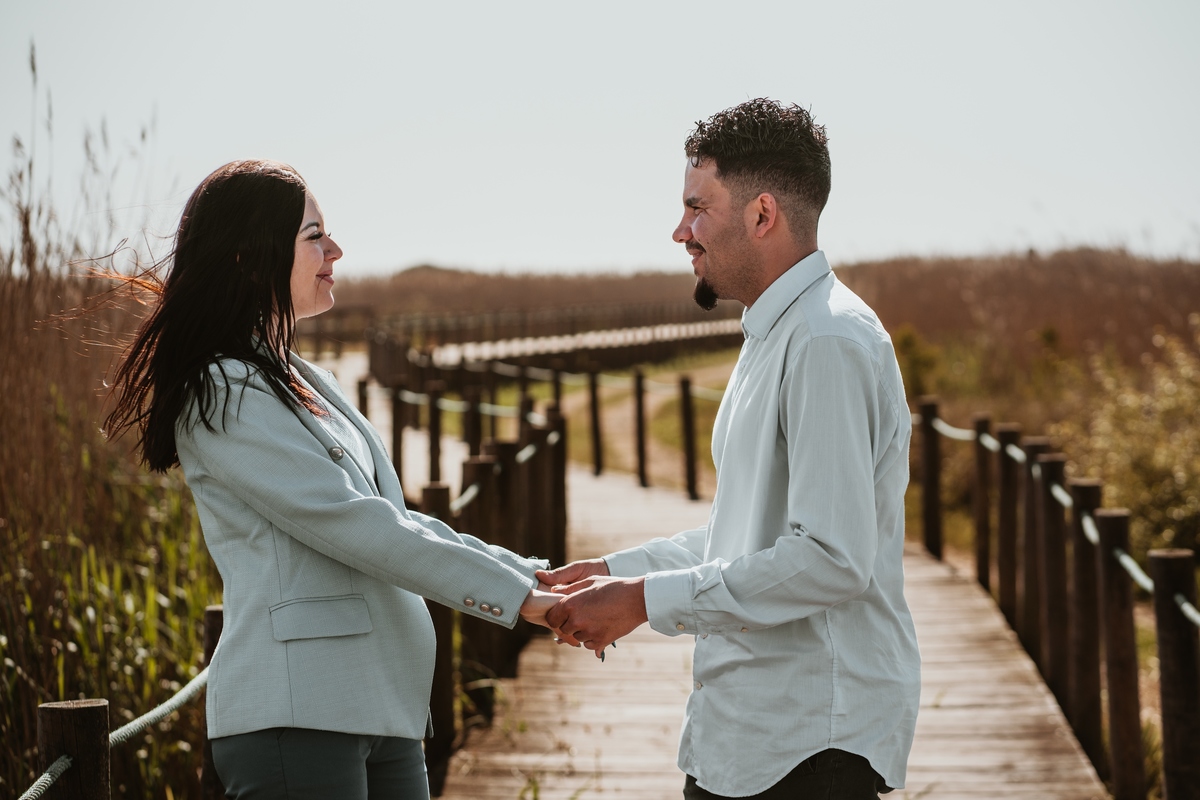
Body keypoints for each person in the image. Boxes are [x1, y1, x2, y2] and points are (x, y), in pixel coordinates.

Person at [104, 159, 558, 800]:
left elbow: (392, 515)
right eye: (314, 235)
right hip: (297, 714)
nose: (335, 250)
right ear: (249, 257)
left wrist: (527, 576)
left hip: (382, 707)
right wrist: (523, 602)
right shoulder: (224, 390)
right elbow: (355, 524)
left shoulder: (308, 380)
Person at [540, 99, 920, 799]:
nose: (681, 230)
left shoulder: (826, 343)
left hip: (809, 750)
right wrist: (617, 572)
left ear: (762, 214)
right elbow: (746, 536)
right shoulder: (774, 333)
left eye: (697, 207)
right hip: (746, 741)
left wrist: (646, 600)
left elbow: (831, 561)